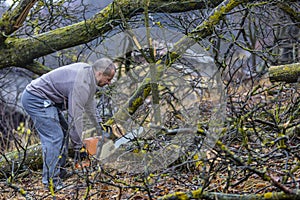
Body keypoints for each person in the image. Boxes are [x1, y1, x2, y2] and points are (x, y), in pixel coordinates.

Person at [21, 58, 116, 191]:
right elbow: (75, 118)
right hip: (35, 98)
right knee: (55, 137)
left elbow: (90, 106)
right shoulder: (81, 83)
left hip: (48, 100)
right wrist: (79, 148)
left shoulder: (88, 75)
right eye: (108, 78)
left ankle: (59, 172)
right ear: (99, 73)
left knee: (64, 133)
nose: (109, 82)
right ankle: (51, 181)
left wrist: (100, 126)